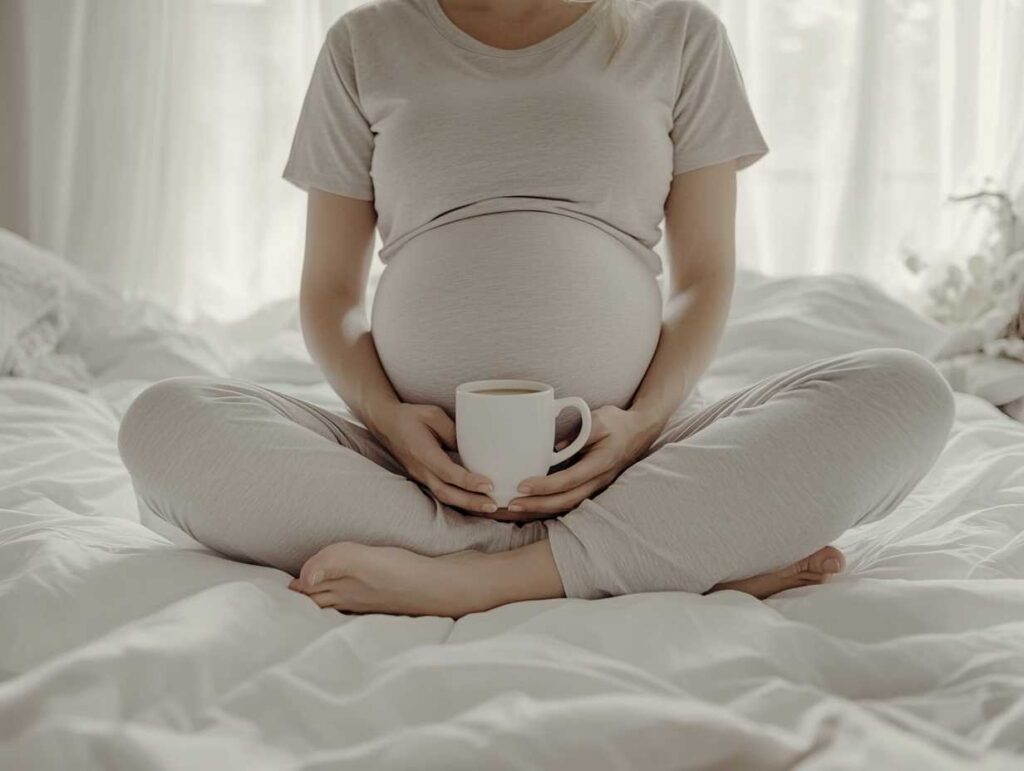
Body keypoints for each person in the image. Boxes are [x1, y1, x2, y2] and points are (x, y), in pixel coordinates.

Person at [117, 0, 955, 617]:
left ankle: (481, 578)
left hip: (633, 453)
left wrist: (643, 423)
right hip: (410, 468)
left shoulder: (679, 32)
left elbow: (703, 274)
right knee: (162, 421)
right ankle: (658, 552)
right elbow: (330, 293)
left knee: (905, 390)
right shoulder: (364, 42)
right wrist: (390, 419)